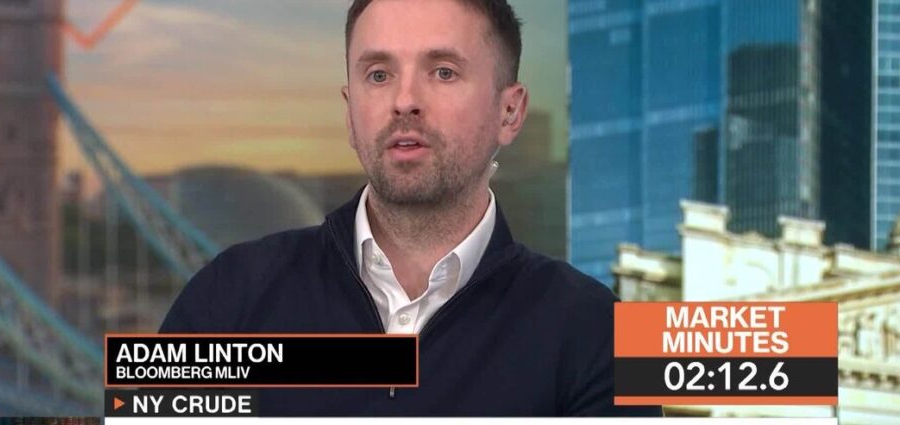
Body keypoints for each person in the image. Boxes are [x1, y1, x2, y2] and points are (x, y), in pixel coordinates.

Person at [161, 0, 661, 417]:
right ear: (350, 113)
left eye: (443, 72)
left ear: (509, 112)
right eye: (379, 74)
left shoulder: (600, 332)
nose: (404, 101)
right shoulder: (228, 298)